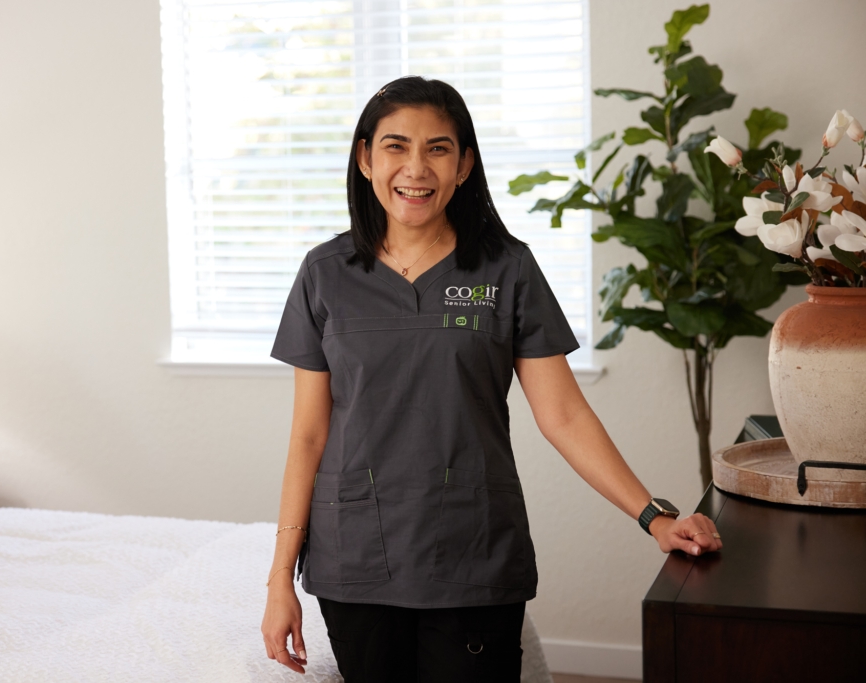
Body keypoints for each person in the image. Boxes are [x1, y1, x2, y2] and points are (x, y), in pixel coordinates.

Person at [260, 76, 722, 682]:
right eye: (396, 146)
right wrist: (279, 581)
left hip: (473, 553)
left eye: (439, 148)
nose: (416, 168)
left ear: (465, 164)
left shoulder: (507, 270)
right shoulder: (325, 274)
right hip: (355, 560)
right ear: (366, 158)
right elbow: (308, 438)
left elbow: (563, 416)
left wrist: (654, 516)